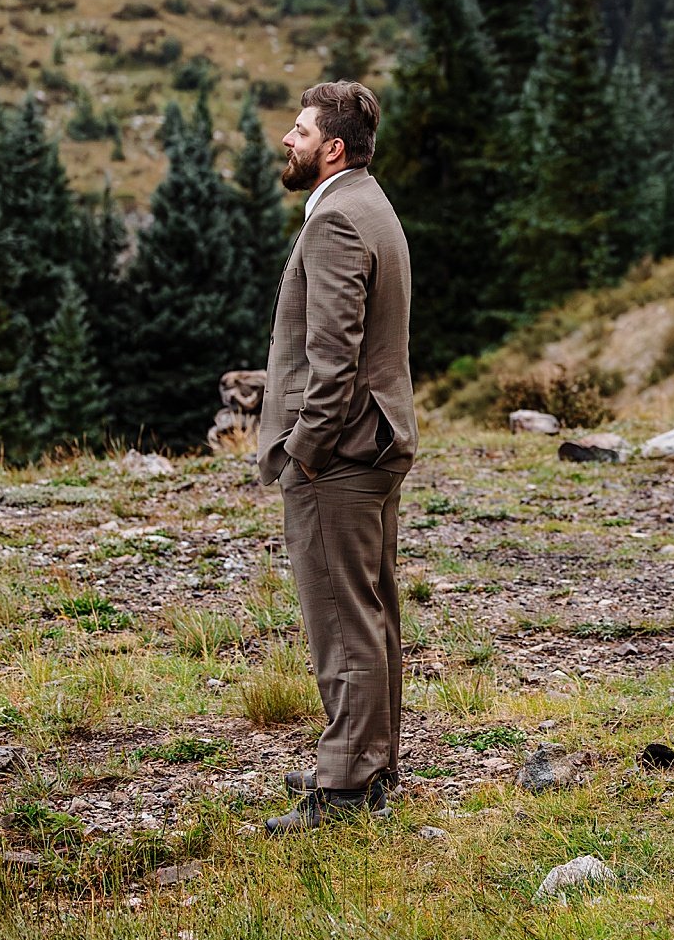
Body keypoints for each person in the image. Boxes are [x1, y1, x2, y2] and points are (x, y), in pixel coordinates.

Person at [256, 80, 417, 832]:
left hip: (343, 451)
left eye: (299, 130)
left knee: (341, 619)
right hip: (376, 441)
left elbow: (333, 361)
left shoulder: (336, 224)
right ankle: (369, 761)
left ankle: (347, 788)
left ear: (333, 148)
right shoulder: (370, 205)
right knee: (373, 610)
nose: (286, 140)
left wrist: (304, 452)